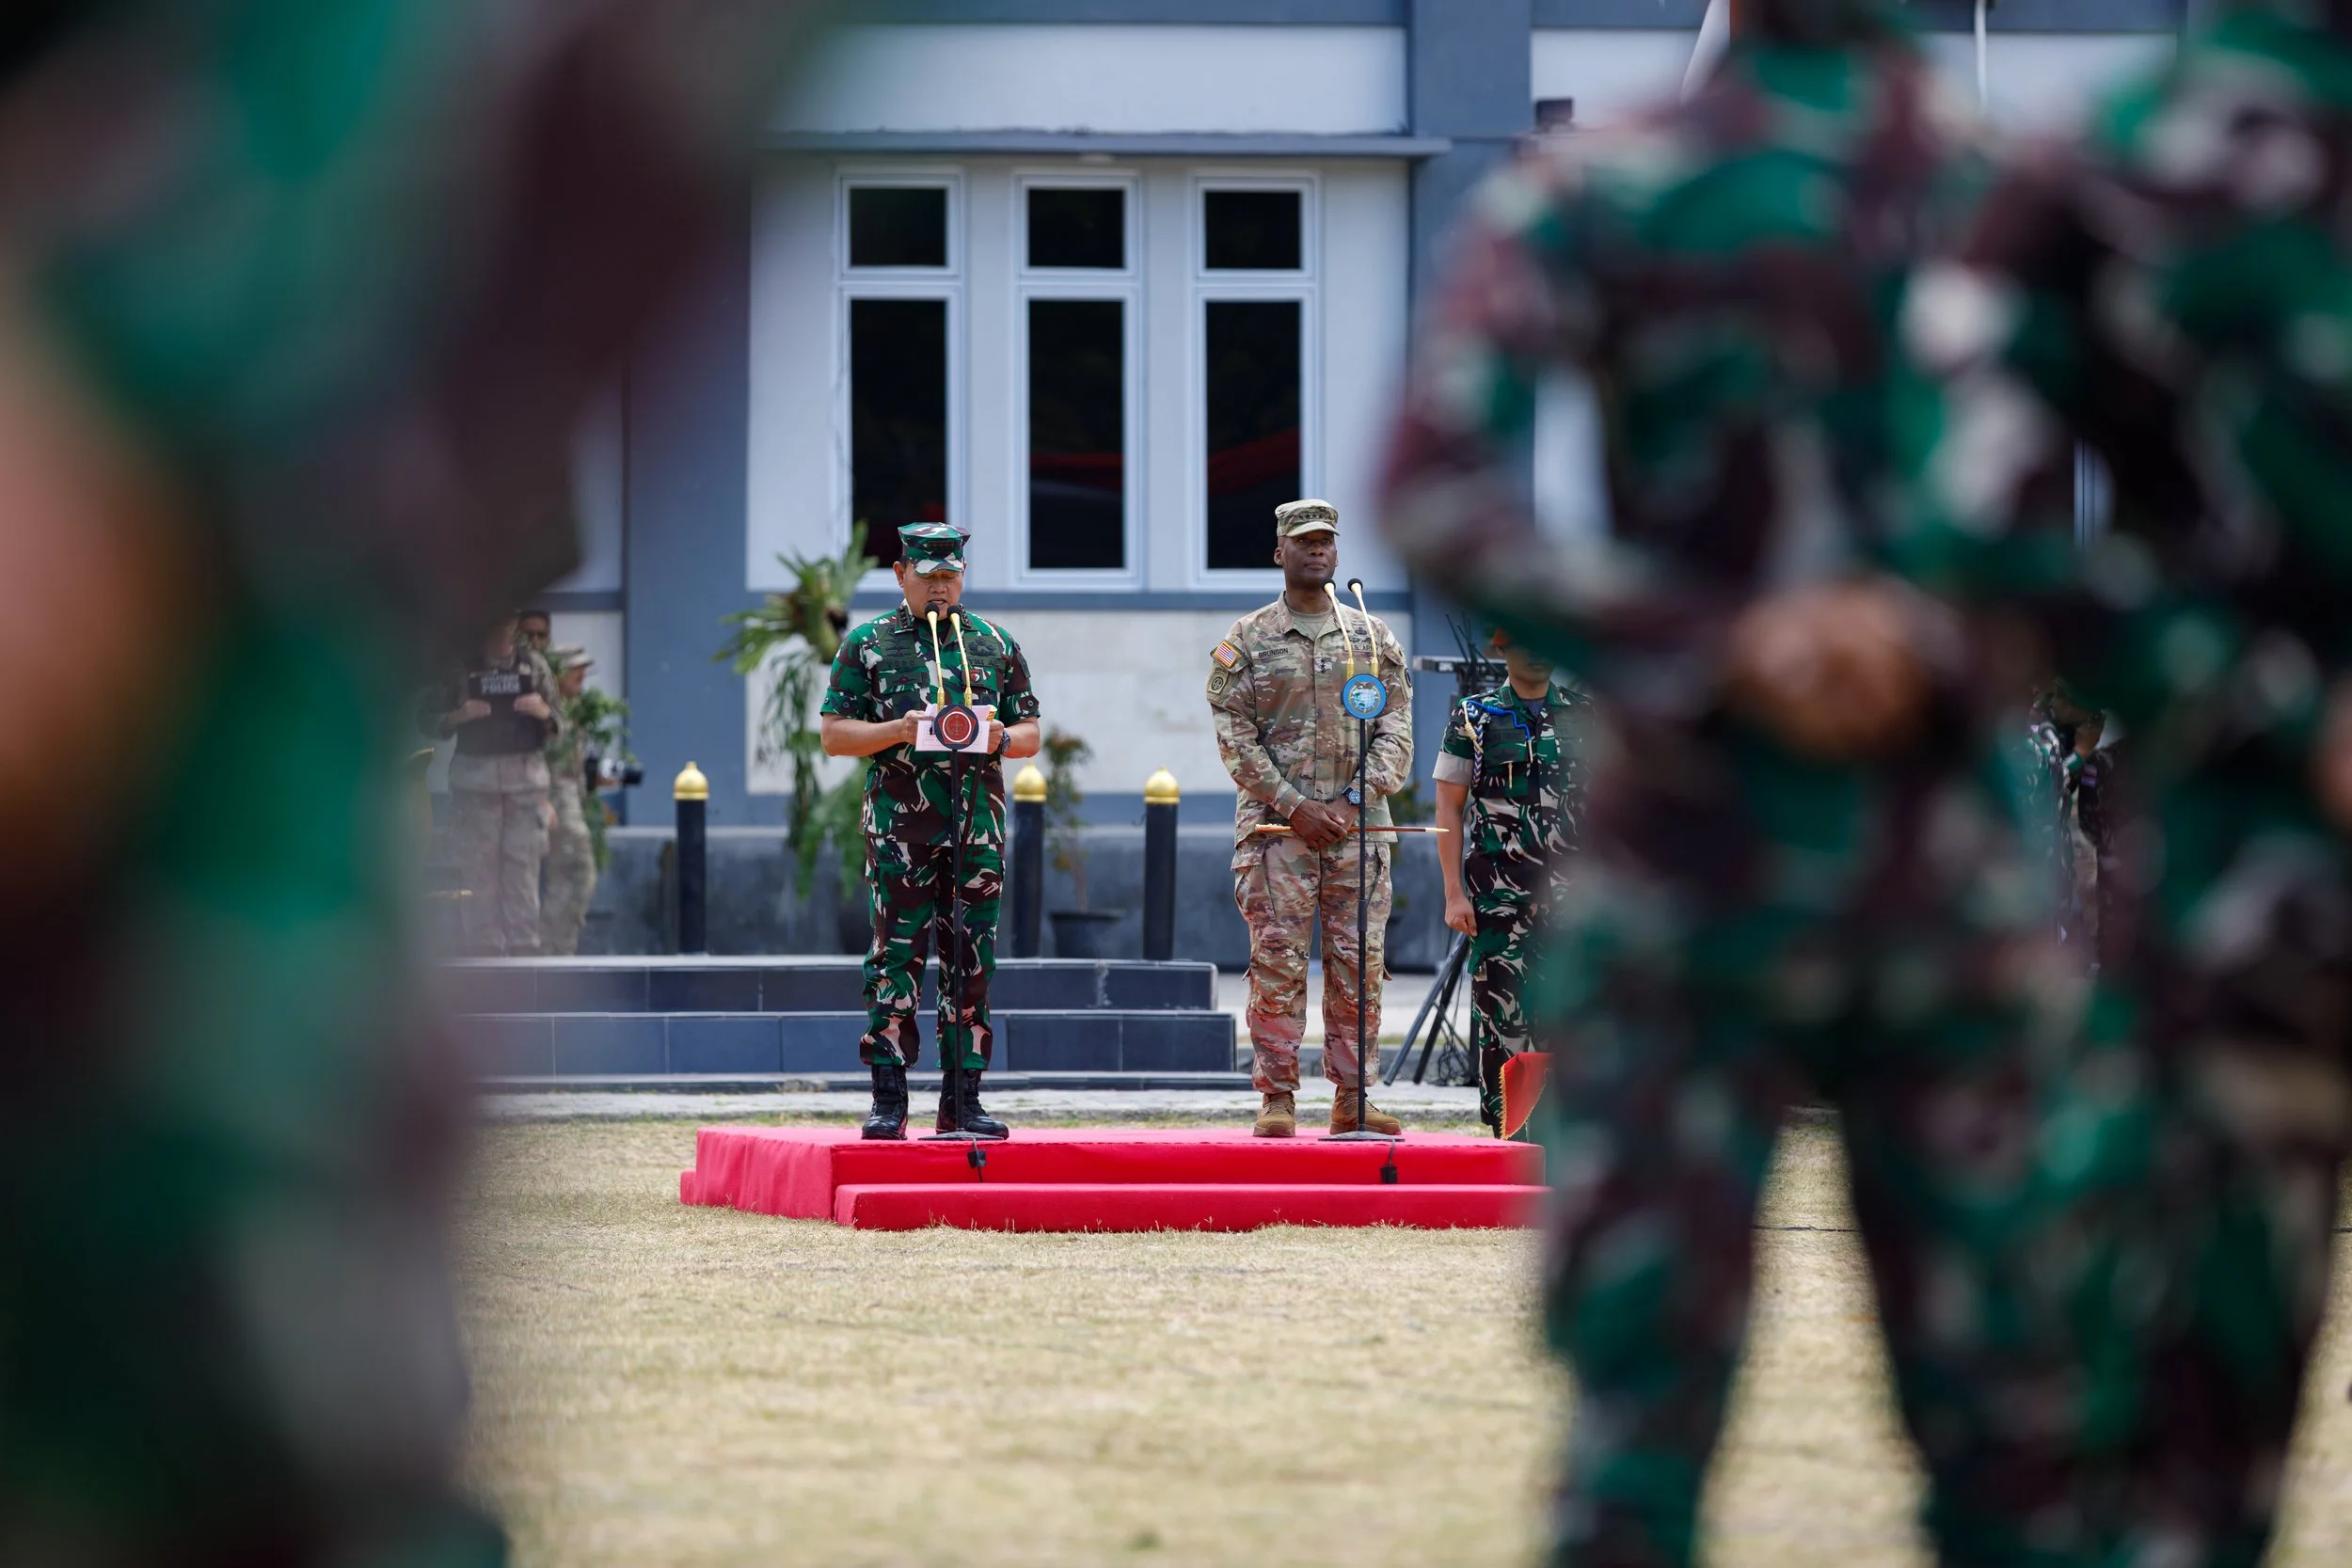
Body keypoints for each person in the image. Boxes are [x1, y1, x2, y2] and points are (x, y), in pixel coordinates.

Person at [1379, 3, 2090, 1560]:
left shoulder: (1608, 186)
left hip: (1691, 869)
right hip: (1944, 876)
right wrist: (1933, 634)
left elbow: (1432, 481)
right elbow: (2156, 530)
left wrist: (1714, 640)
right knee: (2019, 1449)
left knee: (1636, 1450)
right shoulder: (2029, 193)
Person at [1895, 6, 2352, 1551]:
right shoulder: (2125, 162)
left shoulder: (2115, 149)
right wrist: (2288, 711)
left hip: (2245, 887)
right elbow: (1967, 516)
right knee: (2177, 1473)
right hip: (2252, 930)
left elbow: (1969, 515)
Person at [820, 523, 1042, 1140]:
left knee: (971, 961)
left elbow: (1030, 733)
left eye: (951, 575)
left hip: (975, 826)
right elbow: (835, 734)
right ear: (901, 575)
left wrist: (998, 736)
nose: (940, 587)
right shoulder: (870, 644)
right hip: (901, 828)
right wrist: (898, 728)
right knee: (896, 957)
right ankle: (888, 1097)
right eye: (928, 576)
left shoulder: (992, 644)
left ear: (964, 575)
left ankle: (963, 1098)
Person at [1208, 499, 1413, 1139]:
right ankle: (1276, 1096)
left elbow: (1397, 729)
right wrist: (1298, 806)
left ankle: (1353, 1094)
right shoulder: (1247, 639)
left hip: (1359, 831)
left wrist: (1351, 803)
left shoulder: (1372, 637)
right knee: (1277, 960)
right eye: (1304, 542)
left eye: (1326, 541)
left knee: (1360, 963)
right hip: (1278, 834)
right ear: (1279, 553)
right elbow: (1235, 736)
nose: (1317, 550)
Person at [1433, 628, 1582, 1138]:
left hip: (1575, 898)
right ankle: (1511, 1131)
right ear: (1500, 647)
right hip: (1498, 897)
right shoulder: (1473, 716)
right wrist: (1454, 892)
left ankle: (1570, 1132)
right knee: (1503, 1019)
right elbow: (1450, 809)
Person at [420, 613, 559, 957]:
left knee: (523, 868)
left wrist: (543, 713)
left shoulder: (534, 667)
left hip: (525, 784)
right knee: (477, 870)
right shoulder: (459, 670)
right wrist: (457, 716)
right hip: (475, 784)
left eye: (509, 617)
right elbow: (426, 719)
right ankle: (484, 952)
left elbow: (560, 725)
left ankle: (525, 949)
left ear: (515, 623)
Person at [540, 645, 598, 957]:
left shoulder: (571, 712)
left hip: (569, 801)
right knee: (576, 873)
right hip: (555, 804)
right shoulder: (547, 714)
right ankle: (553, 951)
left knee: (569, 877)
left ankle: (558, 950)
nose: (582, 674)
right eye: (574, 668)